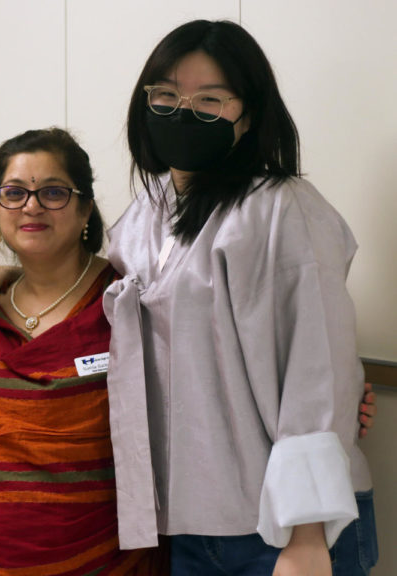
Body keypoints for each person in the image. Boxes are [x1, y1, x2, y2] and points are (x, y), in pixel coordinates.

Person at [103, 19, 377, 575]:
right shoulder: (144, 213)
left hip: (283, 528)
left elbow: (315, 367)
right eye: (165, 96)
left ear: (246, 115)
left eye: (209, 100)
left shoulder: (281, 207)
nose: (183, 113)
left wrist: (304, 536)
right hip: (185, 526)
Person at [0, 128, 168, 575]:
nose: (31, 205)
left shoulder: (127, 304)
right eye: (14, 192)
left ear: (85, 208)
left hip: (108, 562)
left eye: (53, 192)